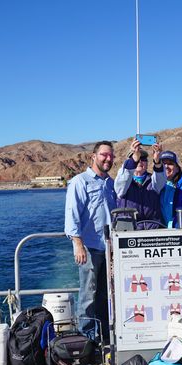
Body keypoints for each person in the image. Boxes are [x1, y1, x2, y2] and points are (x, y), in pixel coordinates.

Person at [64, 140, 116, 340]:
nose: (108, 159)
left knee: (105, 296)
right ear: (93, 156)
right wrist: (77, 244)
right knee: (88, 296)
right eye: (104, 155)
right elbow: (72, 215)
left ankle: (104, 337)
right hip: (90, 248)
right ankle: (86, 339)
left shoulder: (110, 183)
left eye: (111, 156)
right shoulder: (80, 181)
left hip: (110, 249)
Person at [114, 138, 165, 228]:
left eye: (143, 159)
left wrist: (157, 161)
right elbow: (122, 182)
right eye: (137, 158)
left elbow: (160, 178)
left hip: (153, 231)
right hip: (128, 230)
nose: (140, 161)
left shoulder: (153, 181)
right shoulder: (123, 181)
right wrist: (133, 160)